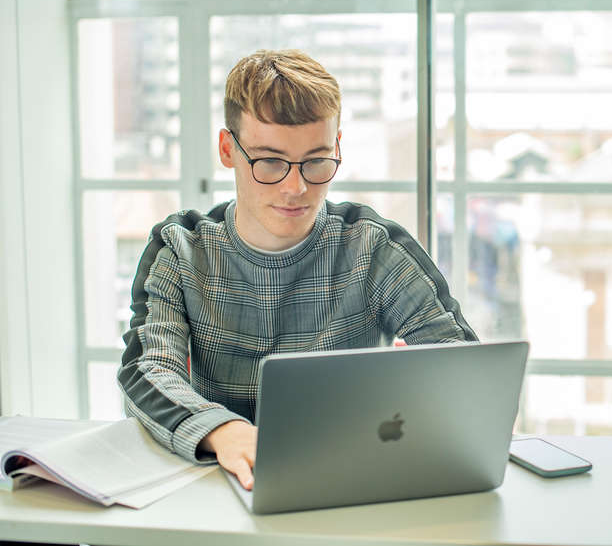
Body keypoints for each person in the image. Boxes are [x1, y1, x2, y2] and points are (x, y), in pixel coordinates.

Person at [118, 49, 477, 491]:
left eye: (316, 160)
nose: (296, 187)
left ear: (337, 147)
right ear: (228, 150)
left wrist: (415, 383)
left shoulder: (374, 246)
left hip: (355, 483)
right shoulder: (179, 249)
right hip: (219, 488)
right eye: (270, 161)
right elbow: (146, 372)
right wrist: (223, 431)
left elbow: (465, 368)